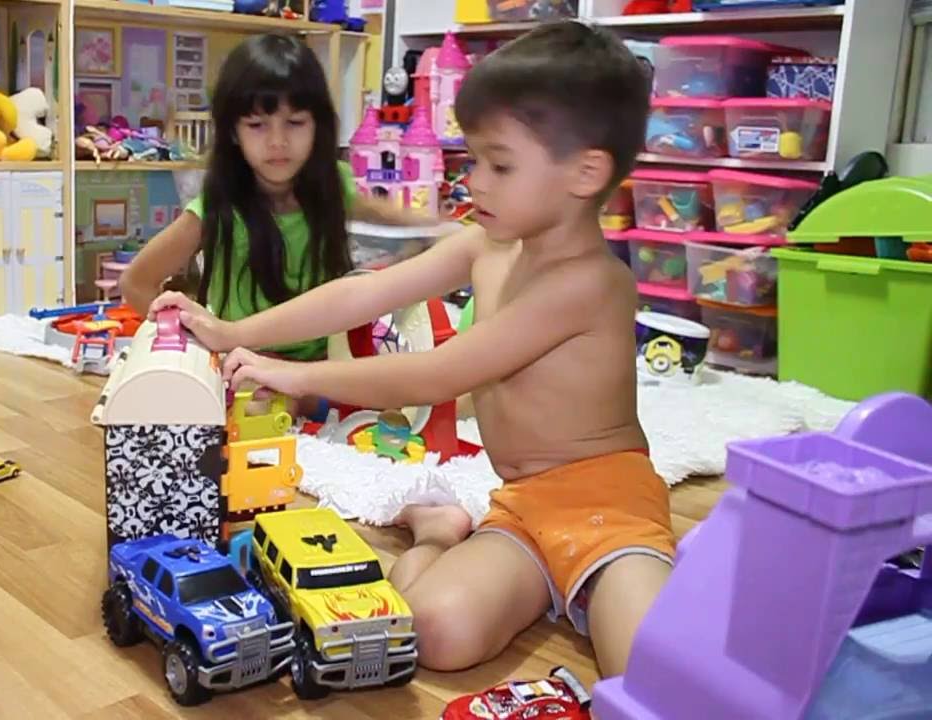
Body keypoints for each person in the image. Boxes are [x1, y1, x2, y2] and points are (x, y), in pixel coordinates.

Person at [147, 21, 671, 679]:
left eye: (498, 164)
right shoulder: (486, 245)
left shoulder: (592, 282)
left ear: (585, 172)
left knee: (654, 672)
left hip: (611, 512)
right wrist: (234, 333)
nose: (473, 181)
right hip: (522, 507)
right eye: (472, 159)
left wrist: (292, 372)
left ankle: (656, 575)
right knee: (432, 634)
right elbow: (358, 295)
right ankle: (437, 531)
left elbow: (440, 372)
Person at [119, 33, 442, 368]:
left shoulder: (336, 183)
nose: (278, 141)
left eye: (295, 122)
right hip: (247, 372)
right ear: (233, 132)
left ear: (318, 125)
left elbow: (403, 223)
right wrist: (193, 351)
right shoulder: (217, 209)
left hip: (328, 367)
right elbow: (136, 282)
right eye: (257, 125)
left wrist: (450, 232)